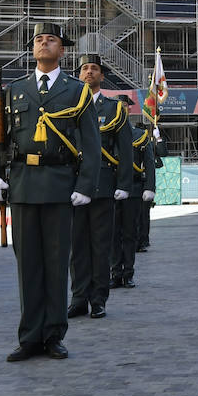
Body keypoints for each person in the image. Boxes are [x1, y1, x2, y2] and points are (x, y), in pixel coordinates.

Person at [0, 22, 101, 362]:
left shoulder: (76, 90)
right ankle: (30, 336)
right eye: (38, 39)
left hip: (60, 182)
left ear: (62, 49)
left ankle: (53, 334)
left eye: (50, 39)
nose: (43, 43)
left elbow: (91, 142)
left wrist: (86, 185)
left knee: (55, 263)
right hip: (22, 183)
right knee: (28, 266)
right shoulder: (15, 89)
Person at [69, 55, 132, 319]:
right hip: (74, 185)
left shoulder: (114, 109)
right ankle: (78, 297)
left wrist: (124, 183)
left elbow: (125, 149)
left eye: (94, 69)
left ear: (102, 76)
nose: (89, 72)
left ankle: (99, 299)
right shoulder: (68, 105)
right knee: (77, 245)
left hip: (104, 184)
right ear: (79, 74)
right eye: (84, 68)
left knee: (101, 245)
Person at [112, 99, 153, 288]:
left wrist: (149, 188)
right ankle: (114, 273)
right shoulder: (107, 133)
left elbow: (149, 164)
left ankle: (128, 272)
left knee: (129, 233)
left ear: (129, 110)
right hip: (111, 188)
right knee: (113, 234)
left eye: (125, 107)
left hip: (134, 189)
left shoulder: (140, 135)